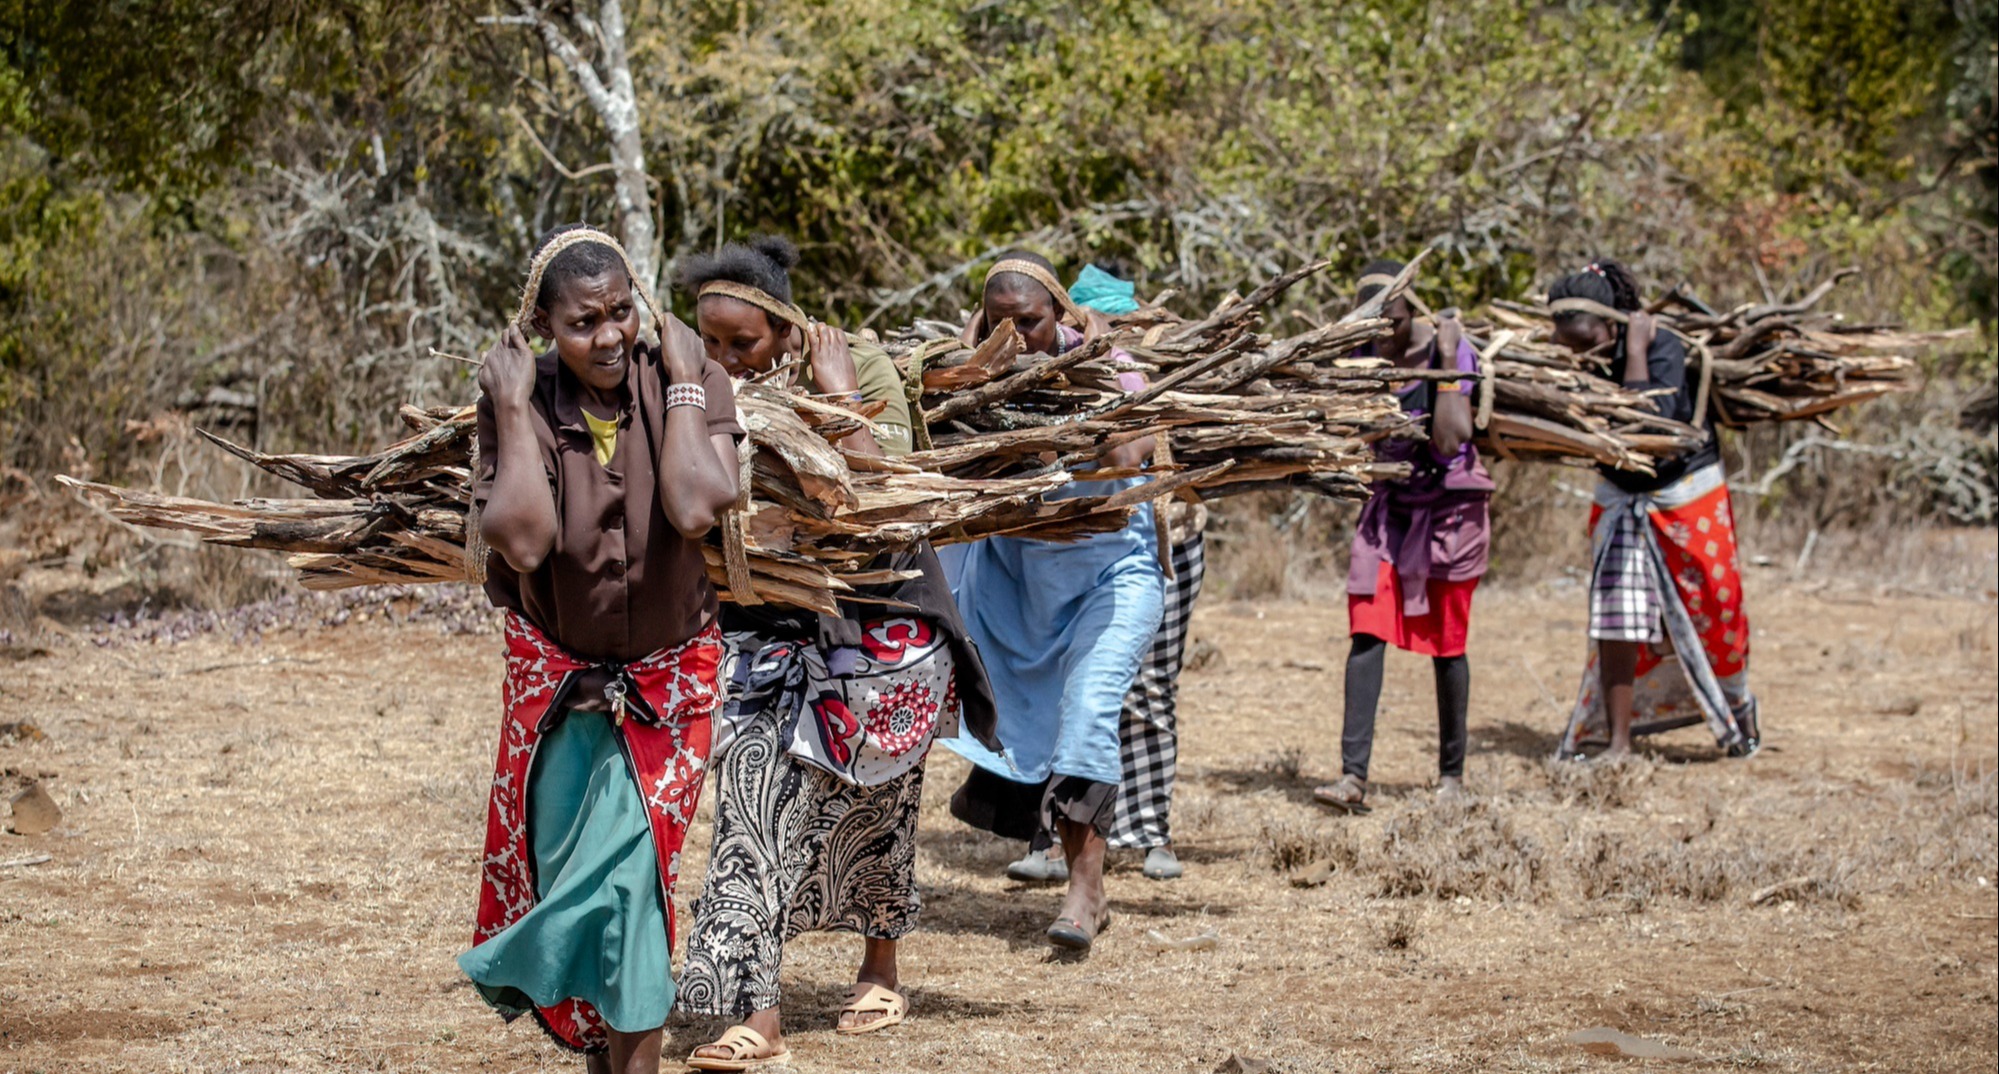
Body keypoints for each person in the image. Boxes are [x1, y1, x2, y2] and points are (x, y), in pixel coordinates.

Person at [672, 237, 1001, 1071]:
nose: (722, 359)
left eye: (739, 344)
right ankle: (760, 1017)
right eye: (708, 342)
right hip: (760, 629)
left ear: (786, 331)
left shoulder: (862, 373)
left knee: (878, 805)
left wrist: (840, 398)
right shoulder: (693, 396)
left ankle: (880, 966)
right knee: (749, 806)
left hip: (879, 624)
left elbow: (885, 496)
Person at [456, 225, 743, 1073]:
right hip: (562, 694)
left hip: (669, 683)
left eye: (622, 312)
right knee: (581, 889)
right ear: (542, 327)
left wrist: (688, 384)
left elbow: (696, 508)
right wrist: (510, 407)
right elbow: (524, 540)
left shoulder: (685, 379)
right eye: (583, 322)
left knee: (630, 893)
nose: (610, 335)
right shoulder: (524, 400)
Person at [944, 251, 1164, 951]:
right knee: (1011, 719)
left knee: (1090, 711)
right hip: (1015, 583)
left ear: (1060, 316)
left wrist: (1081, 399)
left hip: (1110, 576)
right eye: (999, 322)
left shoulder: (1106, 365)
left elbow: (1131, 459)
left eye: (1030, 322)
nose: (1015, 337)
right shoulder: (968, 376)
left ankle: (1085, 891)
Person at [1546, 259, 1759, 760]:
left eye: (1589, 340)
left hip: (1685, 492)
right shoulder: (1573, 362)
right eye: (1570, 344)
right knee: (1615, 618)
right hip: (1621, 495)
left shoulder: (1661, 346)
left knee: (1715, 606)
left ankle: (1739, 709)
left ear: (1615, 323)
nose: (1581, 353)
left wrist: (1636, 352)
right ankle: (1618, 741)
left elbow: (1654, 428)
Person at [1313, 261, 1492, 815]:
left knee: (1448, 643)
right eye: (1369, 323)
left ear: (1410, 309)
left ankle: (1451, 778)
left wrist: (1443, 359)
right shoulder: (1366, 357)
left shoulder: (1450, 351)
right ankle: (1352, 778)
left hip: (1449, 513)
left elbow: (1448, 439)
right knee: (1367, 630)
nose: (1380, 333)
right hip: (1386, 508)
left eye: (1387, 320)